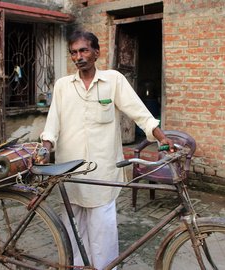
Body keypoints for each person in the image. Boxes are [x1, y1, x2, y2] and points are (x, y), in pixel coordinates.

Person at [40, 30, 174, 269]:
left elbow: (139, 113)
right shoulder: (62, 86)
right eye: (73, 52)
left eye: (84, 50)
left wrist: (162, 137)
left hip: (102, 170)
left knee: (102, 227)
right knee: (72, 226)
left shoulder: (113, 80)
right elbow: (52, 124)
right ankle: (75, 266)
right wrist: (45, 147)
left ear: (96, 52)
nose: (78, 56)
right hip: (69, 169)